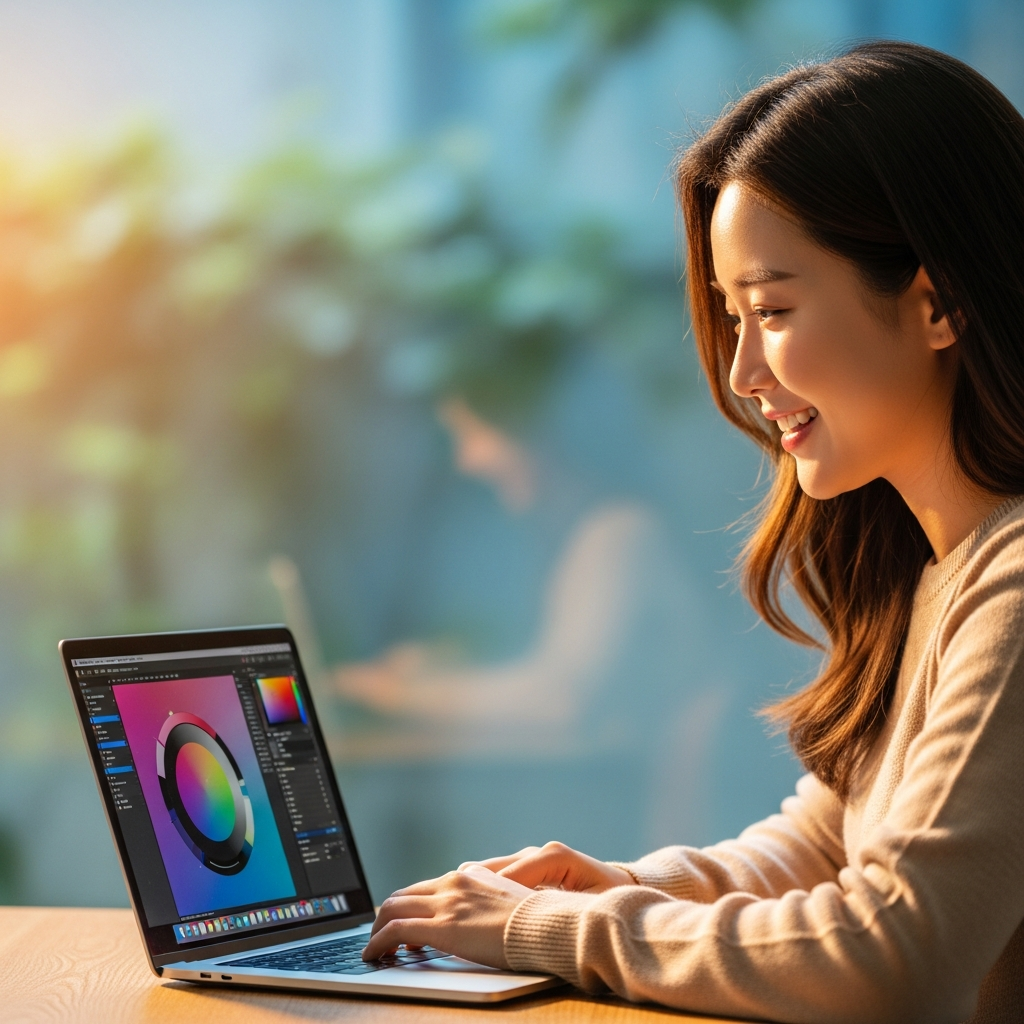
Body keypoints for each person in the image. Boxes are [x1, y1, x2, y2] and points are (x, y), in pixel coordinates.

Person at [357, 42, 1024, 1022]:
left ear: (937, 303)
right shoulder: (934, 571)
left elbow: (896, 951)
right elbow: (823, 844)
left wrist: (551, 927)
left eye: (773, 309)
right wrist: (624, 884)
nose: (744, 373)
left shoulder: (1013, 584)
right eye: (731, 316)